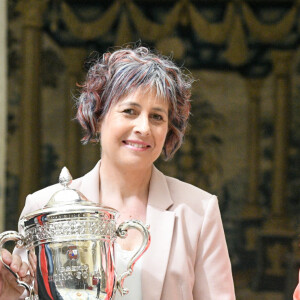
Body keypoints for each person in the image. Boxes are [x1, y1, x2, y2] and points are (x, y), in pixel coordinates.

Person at [0, 46, 236, 299]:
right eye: (130, 111)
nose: (144, 127)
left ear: (169, 129)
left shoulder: (199, 210)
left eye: (157, 117)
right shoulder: (42, 207)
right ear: (98, 116)